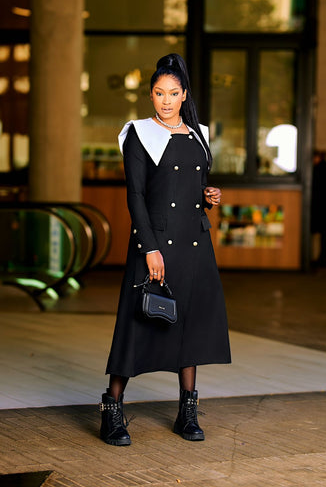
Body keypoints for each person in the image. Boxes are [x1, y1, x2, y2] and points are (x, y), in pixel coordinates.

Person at [100, 53, 231, 446]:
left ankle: (186, 413)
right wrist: (150, 250)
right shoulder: (138, 134)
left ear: (184, 94)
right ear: (151, 95)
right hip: (154, 244)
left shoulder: (198, 133)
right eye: (159, 93)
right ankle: (112, 411)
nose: (167, 100)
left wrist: (209, 194)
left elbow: (191, 186)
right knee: (134, 327)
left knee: (188, 326)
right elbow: (136, 195)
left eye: (173, 93)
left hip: (194, 243)